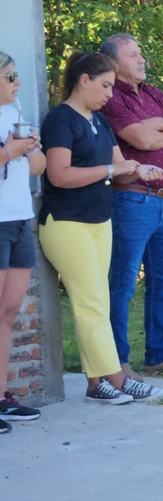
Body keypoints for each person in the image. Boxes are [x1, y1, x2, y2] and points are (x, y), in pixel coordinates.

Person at [39, 51, 163, 404]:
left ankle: (98, 385)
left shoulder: (99, 121)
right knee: (90, 302)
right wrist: (111, 172)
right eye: (105, 85)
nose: (110, 94)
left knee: (97, 301)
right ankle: (117, 377)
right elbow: (59, 175)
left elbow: (118, 164)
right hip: (65, 223)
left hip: (99, 221)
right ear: (83, 80)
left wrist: (137, 169)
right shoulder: (60, 121)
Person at [98, 33, 163, 381]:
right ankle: (116, 360)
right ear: (113, 63)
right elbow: (140, 140)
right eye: (133, 55)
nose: (142, 60)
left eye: (142, 52)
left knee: (162, 280)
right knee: (123, 282)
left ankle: (158, 354)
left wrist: (159, 126)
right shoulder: (111, 99)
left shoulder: (154, 94)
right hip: (131, 199)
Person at [0, 51, 46, 432]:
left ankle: (1, 398)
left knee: (9, 311)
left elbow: (38, 168)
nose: (17, 83)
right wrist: (7, 152)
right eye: (10, 75)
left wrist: (32, 148)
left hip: (19, 219)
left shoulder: (15, 115)